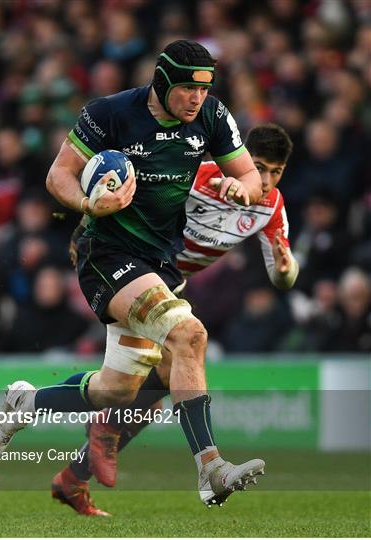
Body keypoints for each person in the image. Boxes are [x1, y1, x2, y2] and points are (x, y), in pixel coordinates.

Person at [0, 39, 264, 511]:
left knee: (123, 389)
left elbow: (252, 177)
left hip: (159, 262)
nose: (198, 99)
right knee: (189, 336)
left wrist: (242, 186)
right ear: (162, 82)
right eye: (188, 90)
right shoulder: (110, 113)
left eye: (205, 90)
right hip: (106, 254)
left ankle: (23, 404)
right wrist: (90, 204)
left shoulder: (213, 117)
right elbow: (59, 176)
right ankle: (211, 469)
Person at [55, 123, 299, 516]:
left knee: (140, 389)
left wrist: (287, 269)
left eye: (276, 172)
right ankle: (202, 465)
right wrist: (84, 230)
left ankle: (76, 466)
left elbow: (281, 274)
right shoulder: (197, 175)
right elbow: (128, 189)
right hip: (130, 266)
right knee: (176, 354)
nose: (267, 180)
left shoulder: (271, 207)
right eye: (259, 168)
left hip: (169, 282)